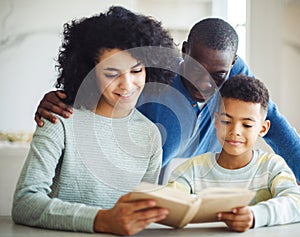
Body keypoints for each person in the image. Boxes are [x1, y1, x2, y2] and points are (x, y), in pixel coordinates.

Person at [33, 18, 300, 182]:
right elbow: (105, 82)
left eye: (218, 75)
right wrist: (64, 98)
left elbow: (271, 121)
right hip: (149, 165)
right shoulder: (157, 75)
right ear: (184, 52)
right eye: (195, 69)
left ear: (232, 64)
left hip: (199, 160)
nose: (204, 83)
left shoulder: (232, 70)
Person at [12, 6, 180, 235]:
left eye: (136, 71)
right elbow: (24, 203)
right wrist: (101, 220)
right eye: (112, 74)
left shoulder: (151, 134)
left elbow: (140, 211)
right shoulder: (60, 119)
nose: (128, 85)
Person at [167, 75, 300, 232]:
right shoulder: (191, 170)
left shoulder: (272, 167)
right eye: (226, 121)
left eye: (247, 125)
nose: (235, 131)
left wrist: (255, 215)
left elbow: (296, 202)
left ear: (263, 128)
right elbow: (169, 204)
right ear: (216, 121)